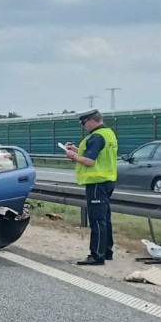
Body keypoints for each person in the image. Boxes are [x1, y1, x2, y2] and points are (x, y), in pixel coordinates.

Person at [63, 110, 118, 266]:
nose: (83, 126)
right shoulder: (108, 133)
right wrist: (76, 150)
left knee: (97, 220)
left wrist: (73, 156)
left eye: (83, 123)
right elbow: (98, 155)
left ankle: (96, 255)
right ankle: (107, 251)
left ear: (92, 120)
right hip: (107, 180)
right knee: (105, 219)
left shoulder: (96, 136)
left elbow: (89, 161)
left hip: (96, 182)